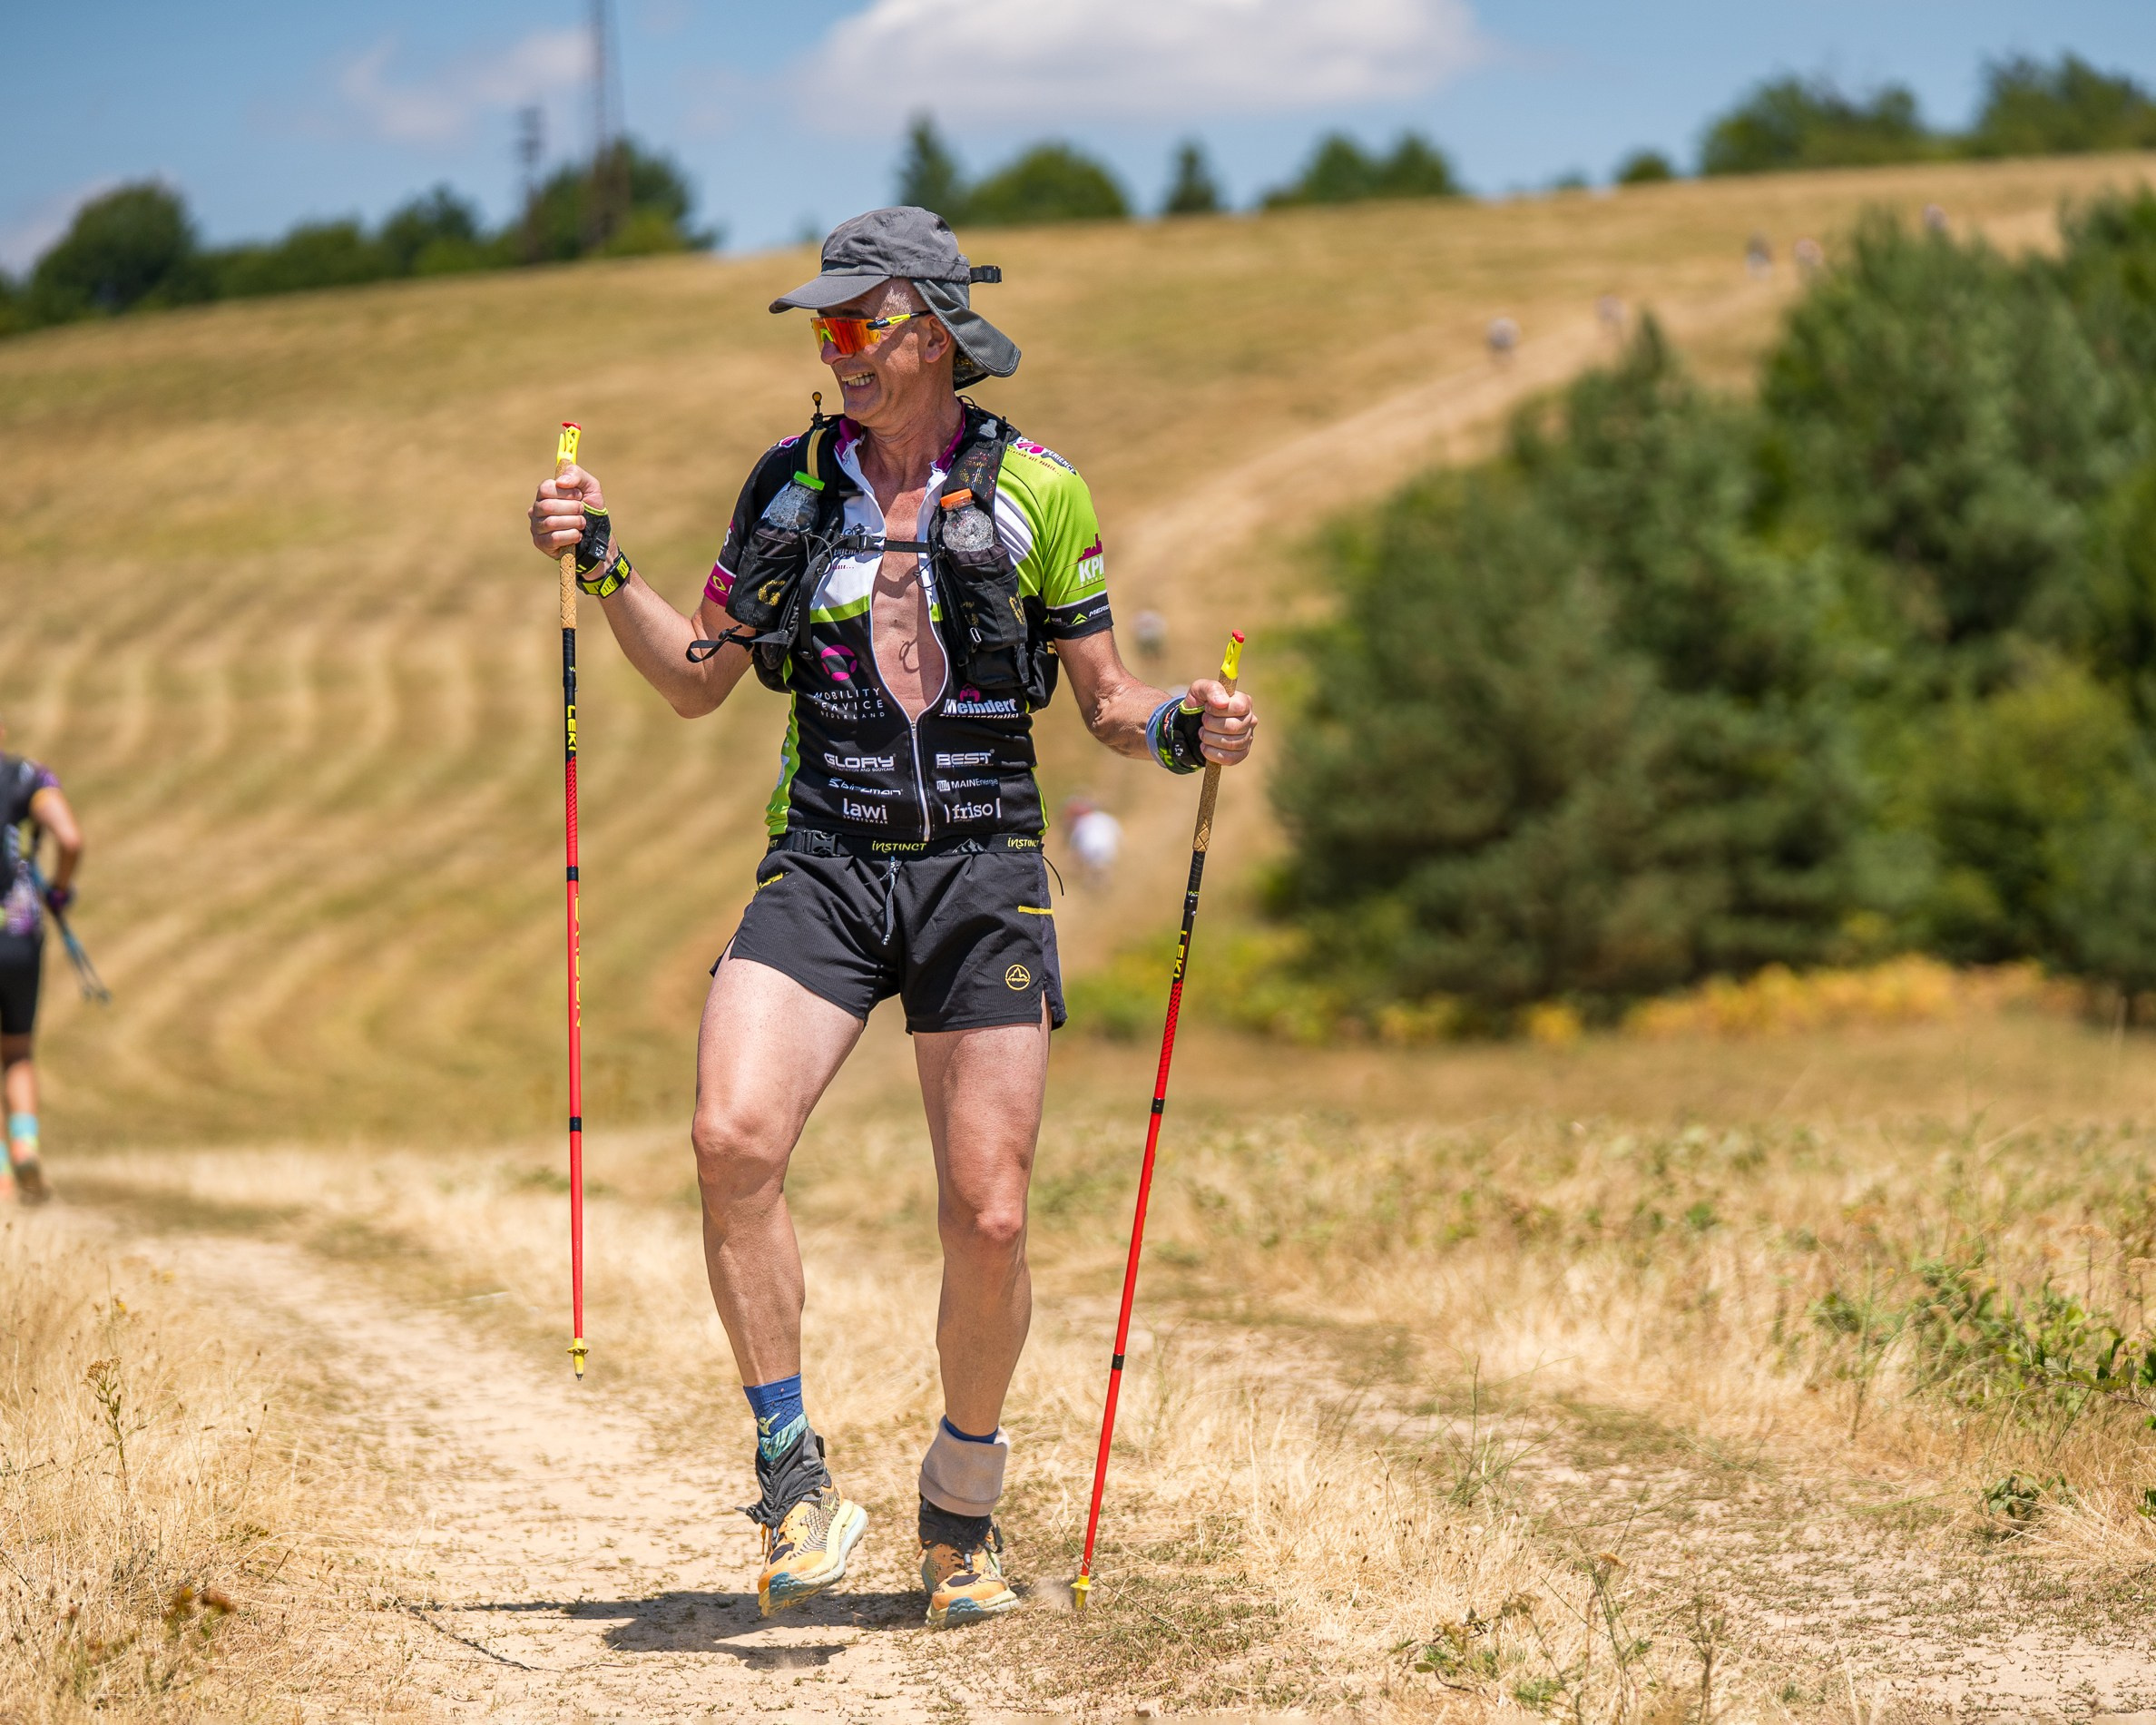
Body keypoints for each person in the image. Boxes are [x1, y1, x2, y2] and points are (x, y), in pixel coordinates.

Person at [526, 208, 1257, 1627]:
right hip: (829, 859)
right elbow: (695, 678)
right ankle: (793, 1474)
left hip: (982, 868)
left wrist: (1184, 726)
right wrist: (604, 562)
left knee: (987, 1214)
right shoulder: (791, 491)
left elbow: (1107, 704)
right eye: (822, 330)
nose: (836, 352)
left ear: (931, 328)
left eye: (857, 325)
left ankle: (960, 1507)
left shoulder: (1038, 488)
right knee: (729, 1136)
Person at [0, 720, 85, 1206]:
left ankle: (2, 1180)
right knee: (16, 1050)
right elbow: (70, 840)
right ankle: (24, 1146)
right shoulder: (26, 777)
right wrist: (57, 890)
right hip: (19, 935)